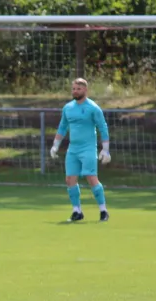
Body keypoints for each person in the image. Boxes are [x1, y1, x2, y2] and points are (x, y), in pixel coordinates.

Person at [50, 78, 111, 222]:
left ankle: (103, 210)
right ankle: (77, 211)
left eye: (78, 89)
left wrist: (106, 149)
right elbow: (62, 127)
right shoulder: (68, 108)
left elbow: (102, 127)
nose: (75, 91)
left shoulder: (93, 108)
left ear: (85, 90)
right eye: (73, 89)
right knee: (70, 179)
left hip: (88, 148)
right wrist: (55, 145)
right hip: (73, 149)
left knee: (91, 177)